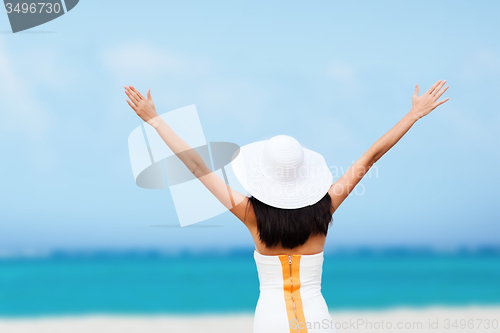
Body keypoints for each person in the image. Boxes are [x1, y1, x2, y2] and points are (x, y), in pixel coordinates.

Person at [124, 80, 449, 333]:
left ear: (263, 177)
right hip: (317, 318)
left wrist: (154, 120)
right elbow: (371, 156)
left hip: (271, 319)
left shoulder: (251, 214)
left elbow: (197, 167)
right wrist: (413, 115)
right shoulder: (325, 208)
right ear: (304, 175)